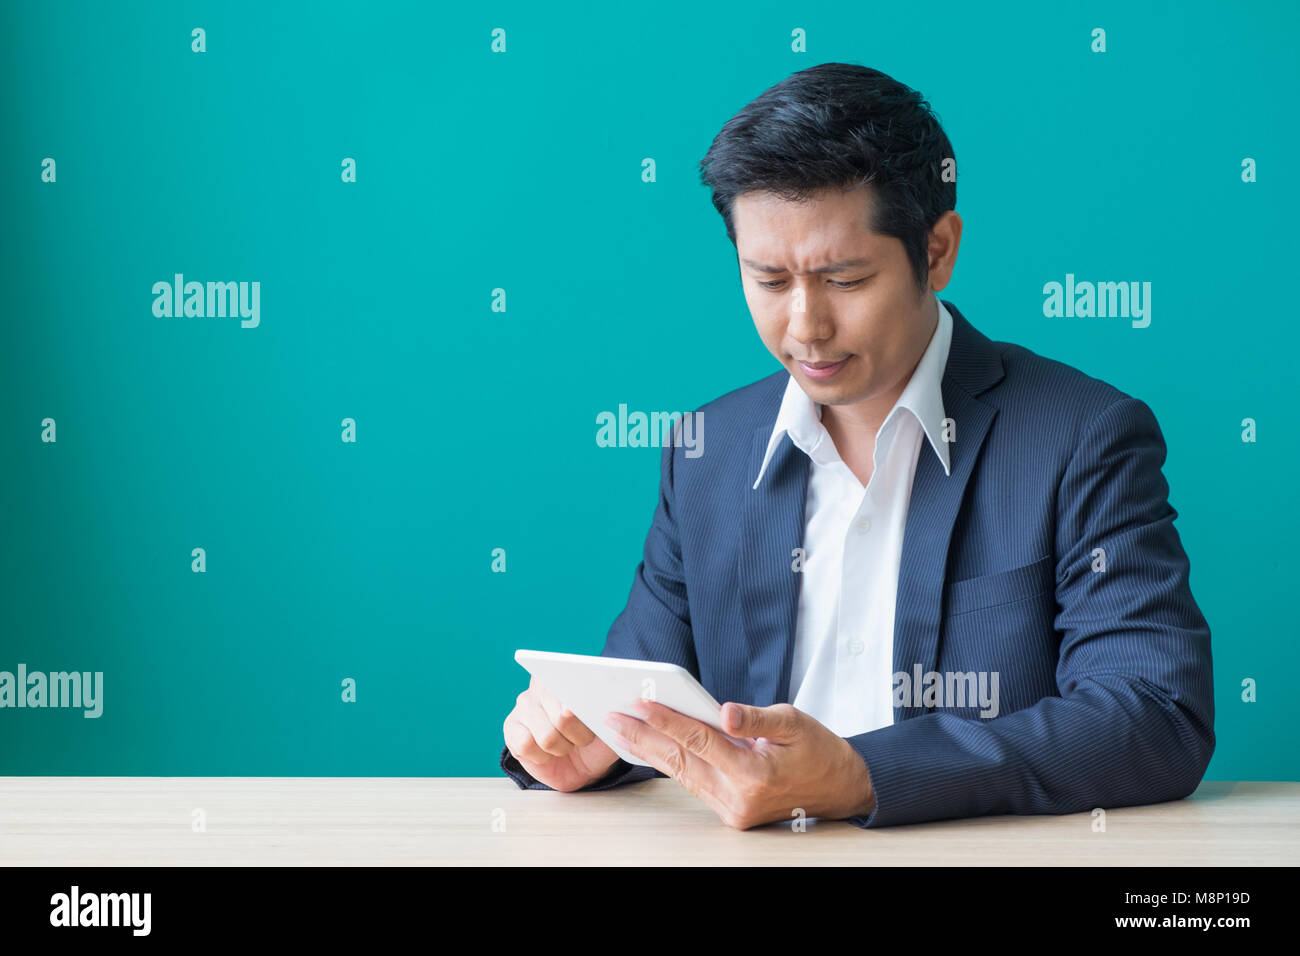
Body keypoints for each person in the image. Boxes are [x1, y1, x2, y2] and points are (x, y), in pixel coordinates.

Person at [500, 62, 1214, 829]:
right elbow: (644, 694)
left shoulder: (1080, 437)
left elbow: (1156, 714)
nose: (804, 328)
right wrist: (590, 747)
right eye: (769, 281)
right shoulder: (705, 451)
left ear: (937, 251)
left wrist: (864, 775)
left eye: (843, 280)